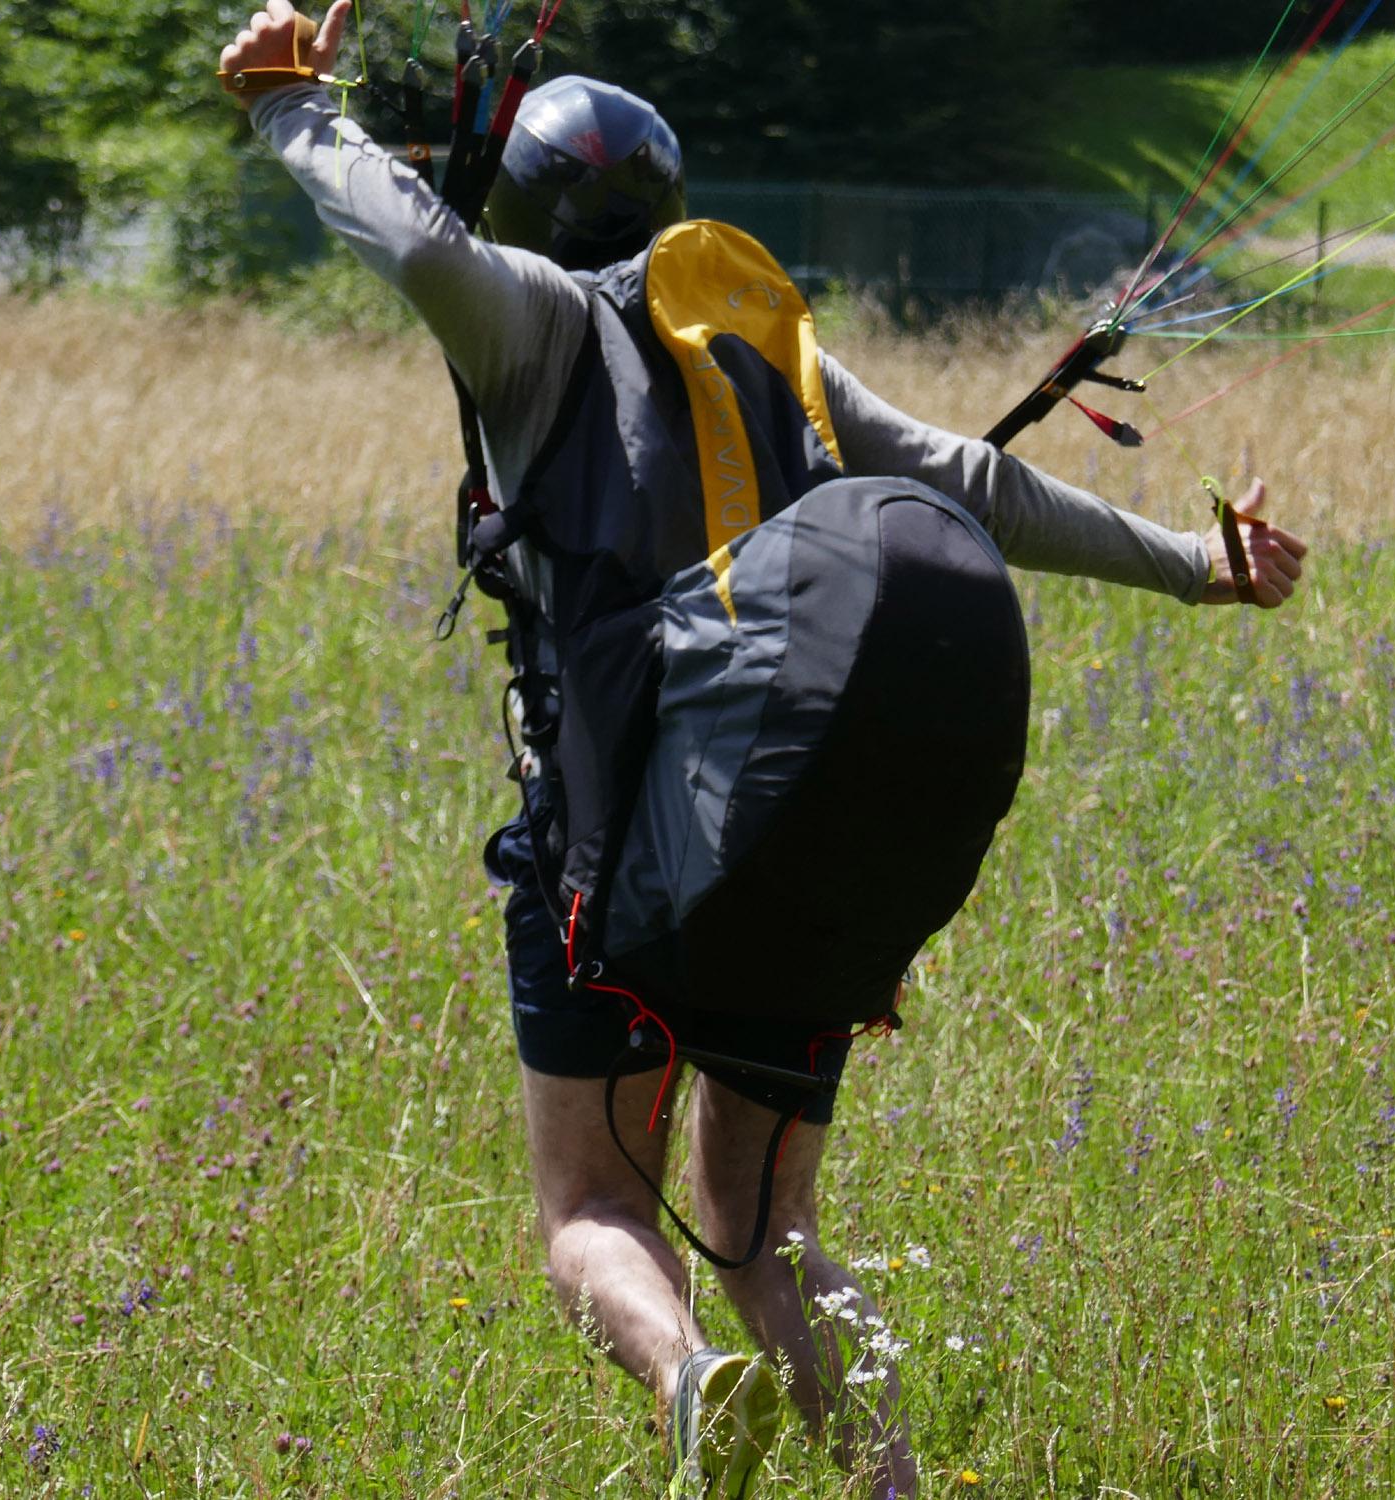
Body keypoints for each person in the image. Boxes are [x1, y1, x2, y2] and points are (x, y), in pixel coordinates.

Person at [219, 5, 1308, 1496]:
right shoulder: (772, 363)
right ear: (671, 215)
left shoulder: (532, 320)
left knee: (595, 1204)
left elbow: (419, 250)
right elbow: (978, 483)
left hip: (609, 865)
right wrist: (1198, 560)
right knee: (772, 1227)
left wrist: (293, 107)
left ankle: (688, 1381)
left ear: (531, 208)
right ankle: (889, 1482)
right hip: (794, 857)